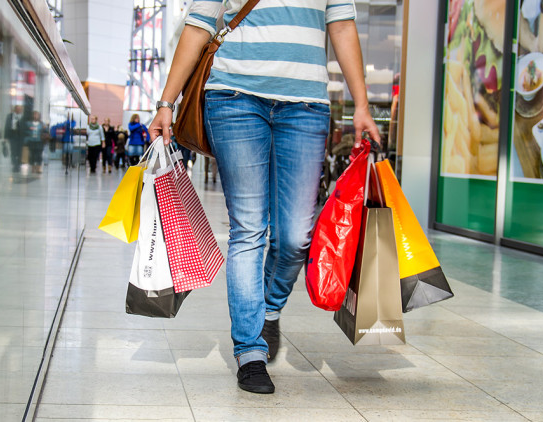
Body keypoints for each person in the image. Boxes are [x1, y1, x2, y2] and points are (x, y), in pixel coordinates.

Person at [149, 0, 380, 394]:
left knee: (295, 238)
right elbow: (199, 25)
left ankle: (269, 308)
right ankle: (249, 352)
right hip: (234, 97)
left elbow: (341, 27)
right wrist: (166, 103)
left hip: (306, 105)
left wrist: (361, 103)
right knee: (249, 228)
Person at [4, 105, 25, 173]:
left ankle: (18, 165)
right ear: (15, 109)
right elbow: (7, 126)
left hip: (21, 136)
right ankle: (14, 164)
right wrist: (5, 137)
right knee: (13, 151)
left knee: (19, 152)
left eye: (20, 109)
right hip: (12, 135)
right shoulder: (10, 116)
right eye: (18, 109)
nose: (19, 110)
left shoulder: (23, 117)